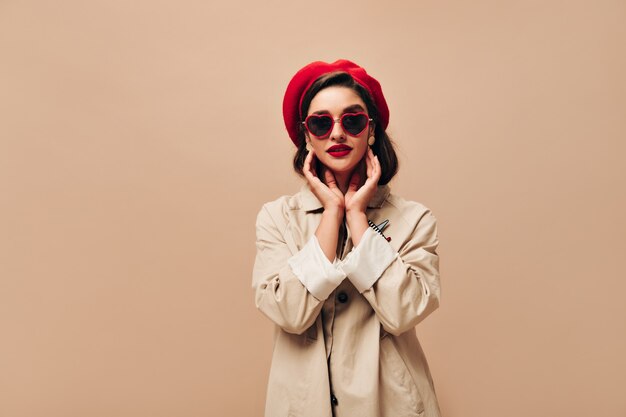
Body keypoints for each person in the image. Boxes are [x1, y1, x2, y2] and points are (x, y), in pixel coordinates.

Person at [252, 59, 442, 417]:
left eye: (352, 120)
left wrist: (356, 217)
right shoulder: (277, 218)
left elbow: (404, 312)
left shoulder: (414, 220)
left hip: (392, 405)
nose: (337, 133)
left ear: (371, 130)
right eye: (321, 123)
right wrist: (330, 214)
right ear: (306, 135)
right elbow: (289, 314)